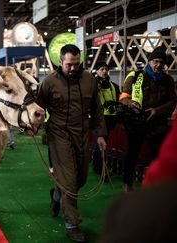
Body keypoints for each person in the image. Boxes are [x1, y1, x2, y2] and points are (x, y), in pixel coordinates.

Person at [36, 44, 107, 242]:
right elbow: (38, 109)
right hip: (58, 135)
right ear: (60, 62)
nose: (73, 68)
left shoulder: (89, 80)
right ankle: (71, 224)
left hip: (82, 135)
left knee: (80, 179)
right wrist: (32, 125)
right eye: (69, 65)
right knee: (69, 181)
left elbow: (97, 109)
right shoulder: (49, 82)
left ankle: (56, 196)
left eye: (77, 64)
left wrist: (100, 134)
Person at [119, 46, 176, 192]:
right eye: (155, 62)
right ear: (149, 61)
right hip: (136, 122)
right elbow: (124, 97)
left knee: (158, 157)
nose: (158, 65)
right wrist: (131, 103)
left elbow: (172, 102)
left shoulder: (168, 81)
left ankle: (158, 186)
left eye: (161, 63)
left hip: (158, 125)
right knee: (132, 154)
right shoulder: (136, 75)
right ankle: (127, 184)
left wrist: (156, 111)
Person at [92, 62, 121, 174]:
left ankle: (98, 166)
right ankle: (100, 168)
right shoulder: (93, 85)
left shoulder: (114, 86)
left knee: (102, 143)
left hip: (111, 118)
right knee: (101, 143)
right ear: (97, 71)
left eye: (106, 69)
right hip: (99, 118)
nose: (104, 71)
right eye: (101, 69)